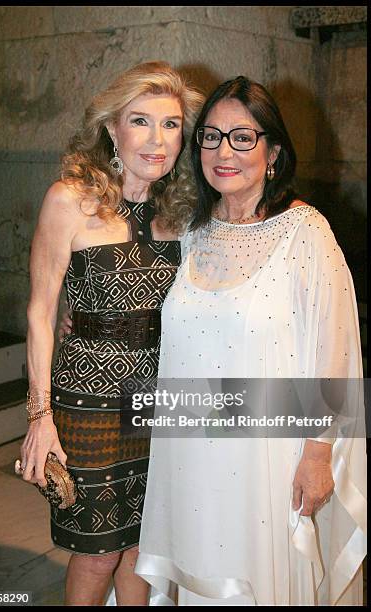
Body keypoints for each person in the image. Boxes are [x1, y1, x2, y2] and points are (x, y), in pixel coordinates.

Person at [132, 77, 367, 605]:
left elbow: (337, 349)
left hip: (269, 461)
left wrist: (317, 454)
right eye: (211, 137)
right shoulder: (193, 231)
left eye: (242, 137)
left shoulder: (306, 233)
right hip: (191, 456)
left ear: (273, 151)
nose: (223, 152)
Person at [21, 61, 204, 606]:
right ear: (110, 127)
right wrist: (39, 416)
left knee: (143, 548)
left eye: (171, 125)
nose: (157, 140)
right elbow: (40, 311)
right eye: (140, 121)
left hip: (159, 402)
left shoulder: (185, 211)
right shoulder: (69, 200)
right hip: (86, 405)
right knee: (98, 550)